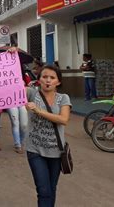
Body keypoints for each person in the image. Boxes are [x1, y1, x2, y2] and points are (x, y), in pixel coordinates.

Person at [25, 65, 71, 207]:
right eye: (44, 77)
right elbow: (8, 87)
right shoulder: (32, 94)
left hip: (56, 152)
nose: (48, 80)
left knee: (51, 189)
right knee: (43, 190)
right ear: (39, 80)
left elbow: (63, 119)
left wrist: (38, 111)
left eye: (52, 77)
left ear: (58, 82)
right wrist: (12, 56)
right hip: (35, 150)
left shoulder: (63, 98)